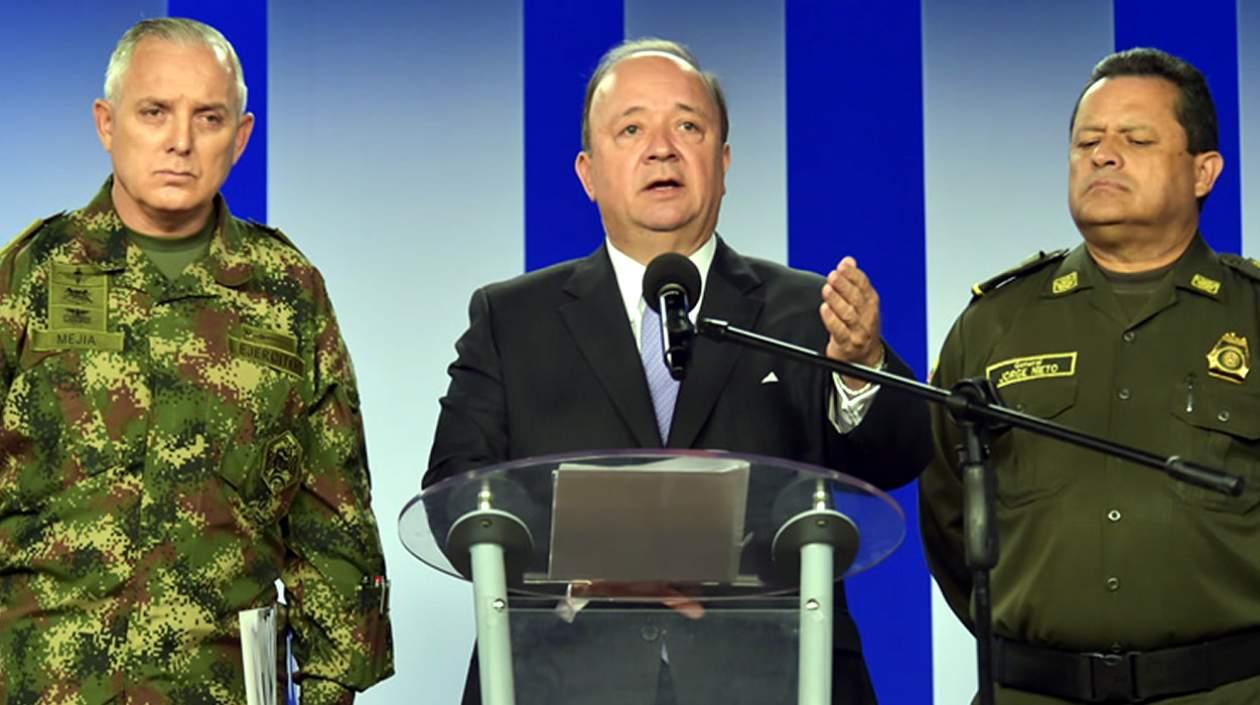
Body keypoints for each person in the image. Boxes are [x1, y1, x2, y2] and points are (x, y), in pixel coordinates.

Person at [425, 38, 932, 704]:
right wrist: (590, 566)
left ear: (722, 163)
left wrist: (864, 366)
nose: (661, 148)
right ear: (588, 171)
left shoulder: (805, 310)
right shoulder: (512, 318)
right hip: (563, 675)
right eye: (631, 128)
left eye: (687, 127)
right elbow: (455, 495)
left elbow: (897, 456)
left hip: (775, 676)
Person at [0, 18, 393, 704]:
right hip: (41, 683)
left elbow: (333, 520)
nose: (180, 141)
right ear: (106, 122)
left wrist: (331, 686)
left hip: (219, 687)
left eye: (207, 117)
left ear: (239, 137)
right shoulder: (31, 277)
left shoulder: (287, 292)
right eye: (154, 112)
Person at [920, 47, 1260, 703]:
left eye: (1135, 139)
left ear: (1204, 171)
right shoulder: (994, 323)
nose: (1103, 155)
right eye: (1087, 142)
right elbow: (948, 514)